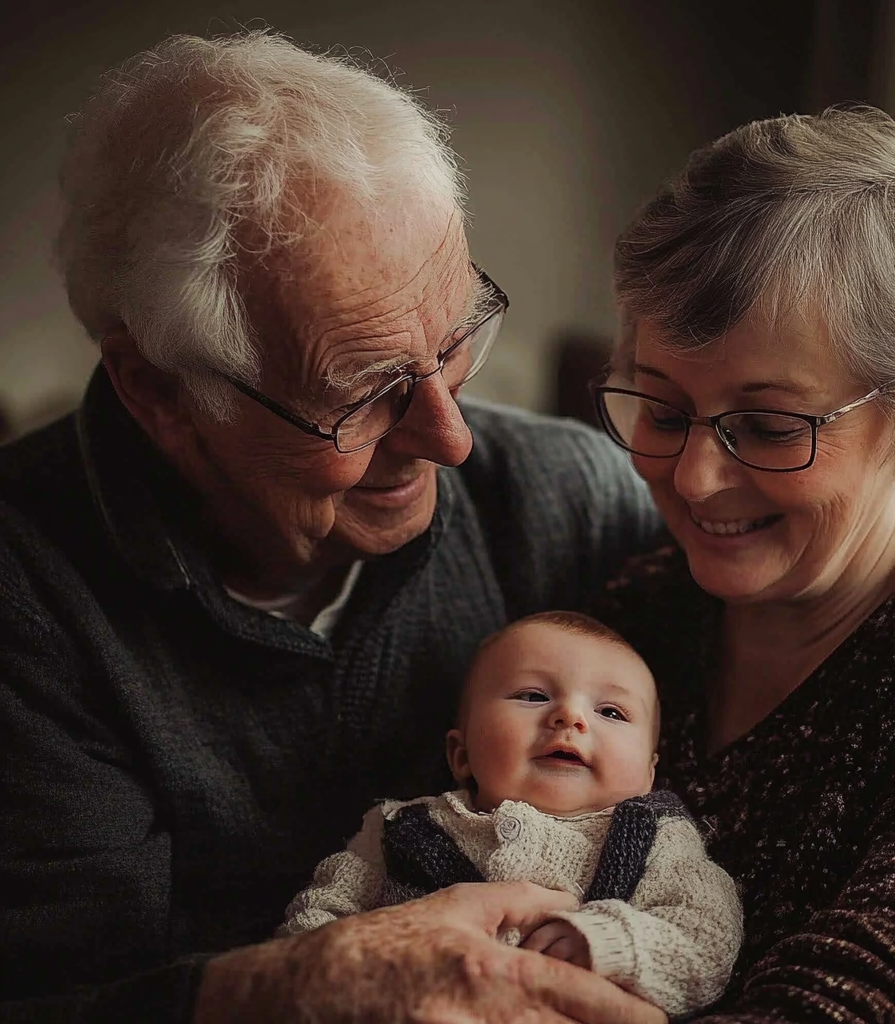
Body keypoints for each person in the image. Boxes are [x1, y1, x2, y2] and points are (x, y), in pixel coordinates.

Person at [0, 30, 666, 1024]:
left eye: (455, 340)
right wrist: (308, 987)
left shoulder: (563, 500)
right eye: (361, 390)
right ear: (160, 393)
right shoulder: (28, 591)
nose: (448, 440)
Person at [589, 105, 895, 1023]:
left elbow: (887, 978)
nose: (697, 479)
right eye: (663, 412)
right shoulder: (631, 614)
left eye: (770, 425)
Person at [280, 610, 743, 1017]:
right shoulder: (399, 829)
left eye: (611, 711)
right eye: (532, 696)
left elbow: (707, 938)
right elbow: (317, 920)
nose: (570, 717)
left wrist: (611, 943)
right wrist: (349, 978)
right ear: (461, 755)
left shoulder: (654, 839)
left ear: (647, 773)